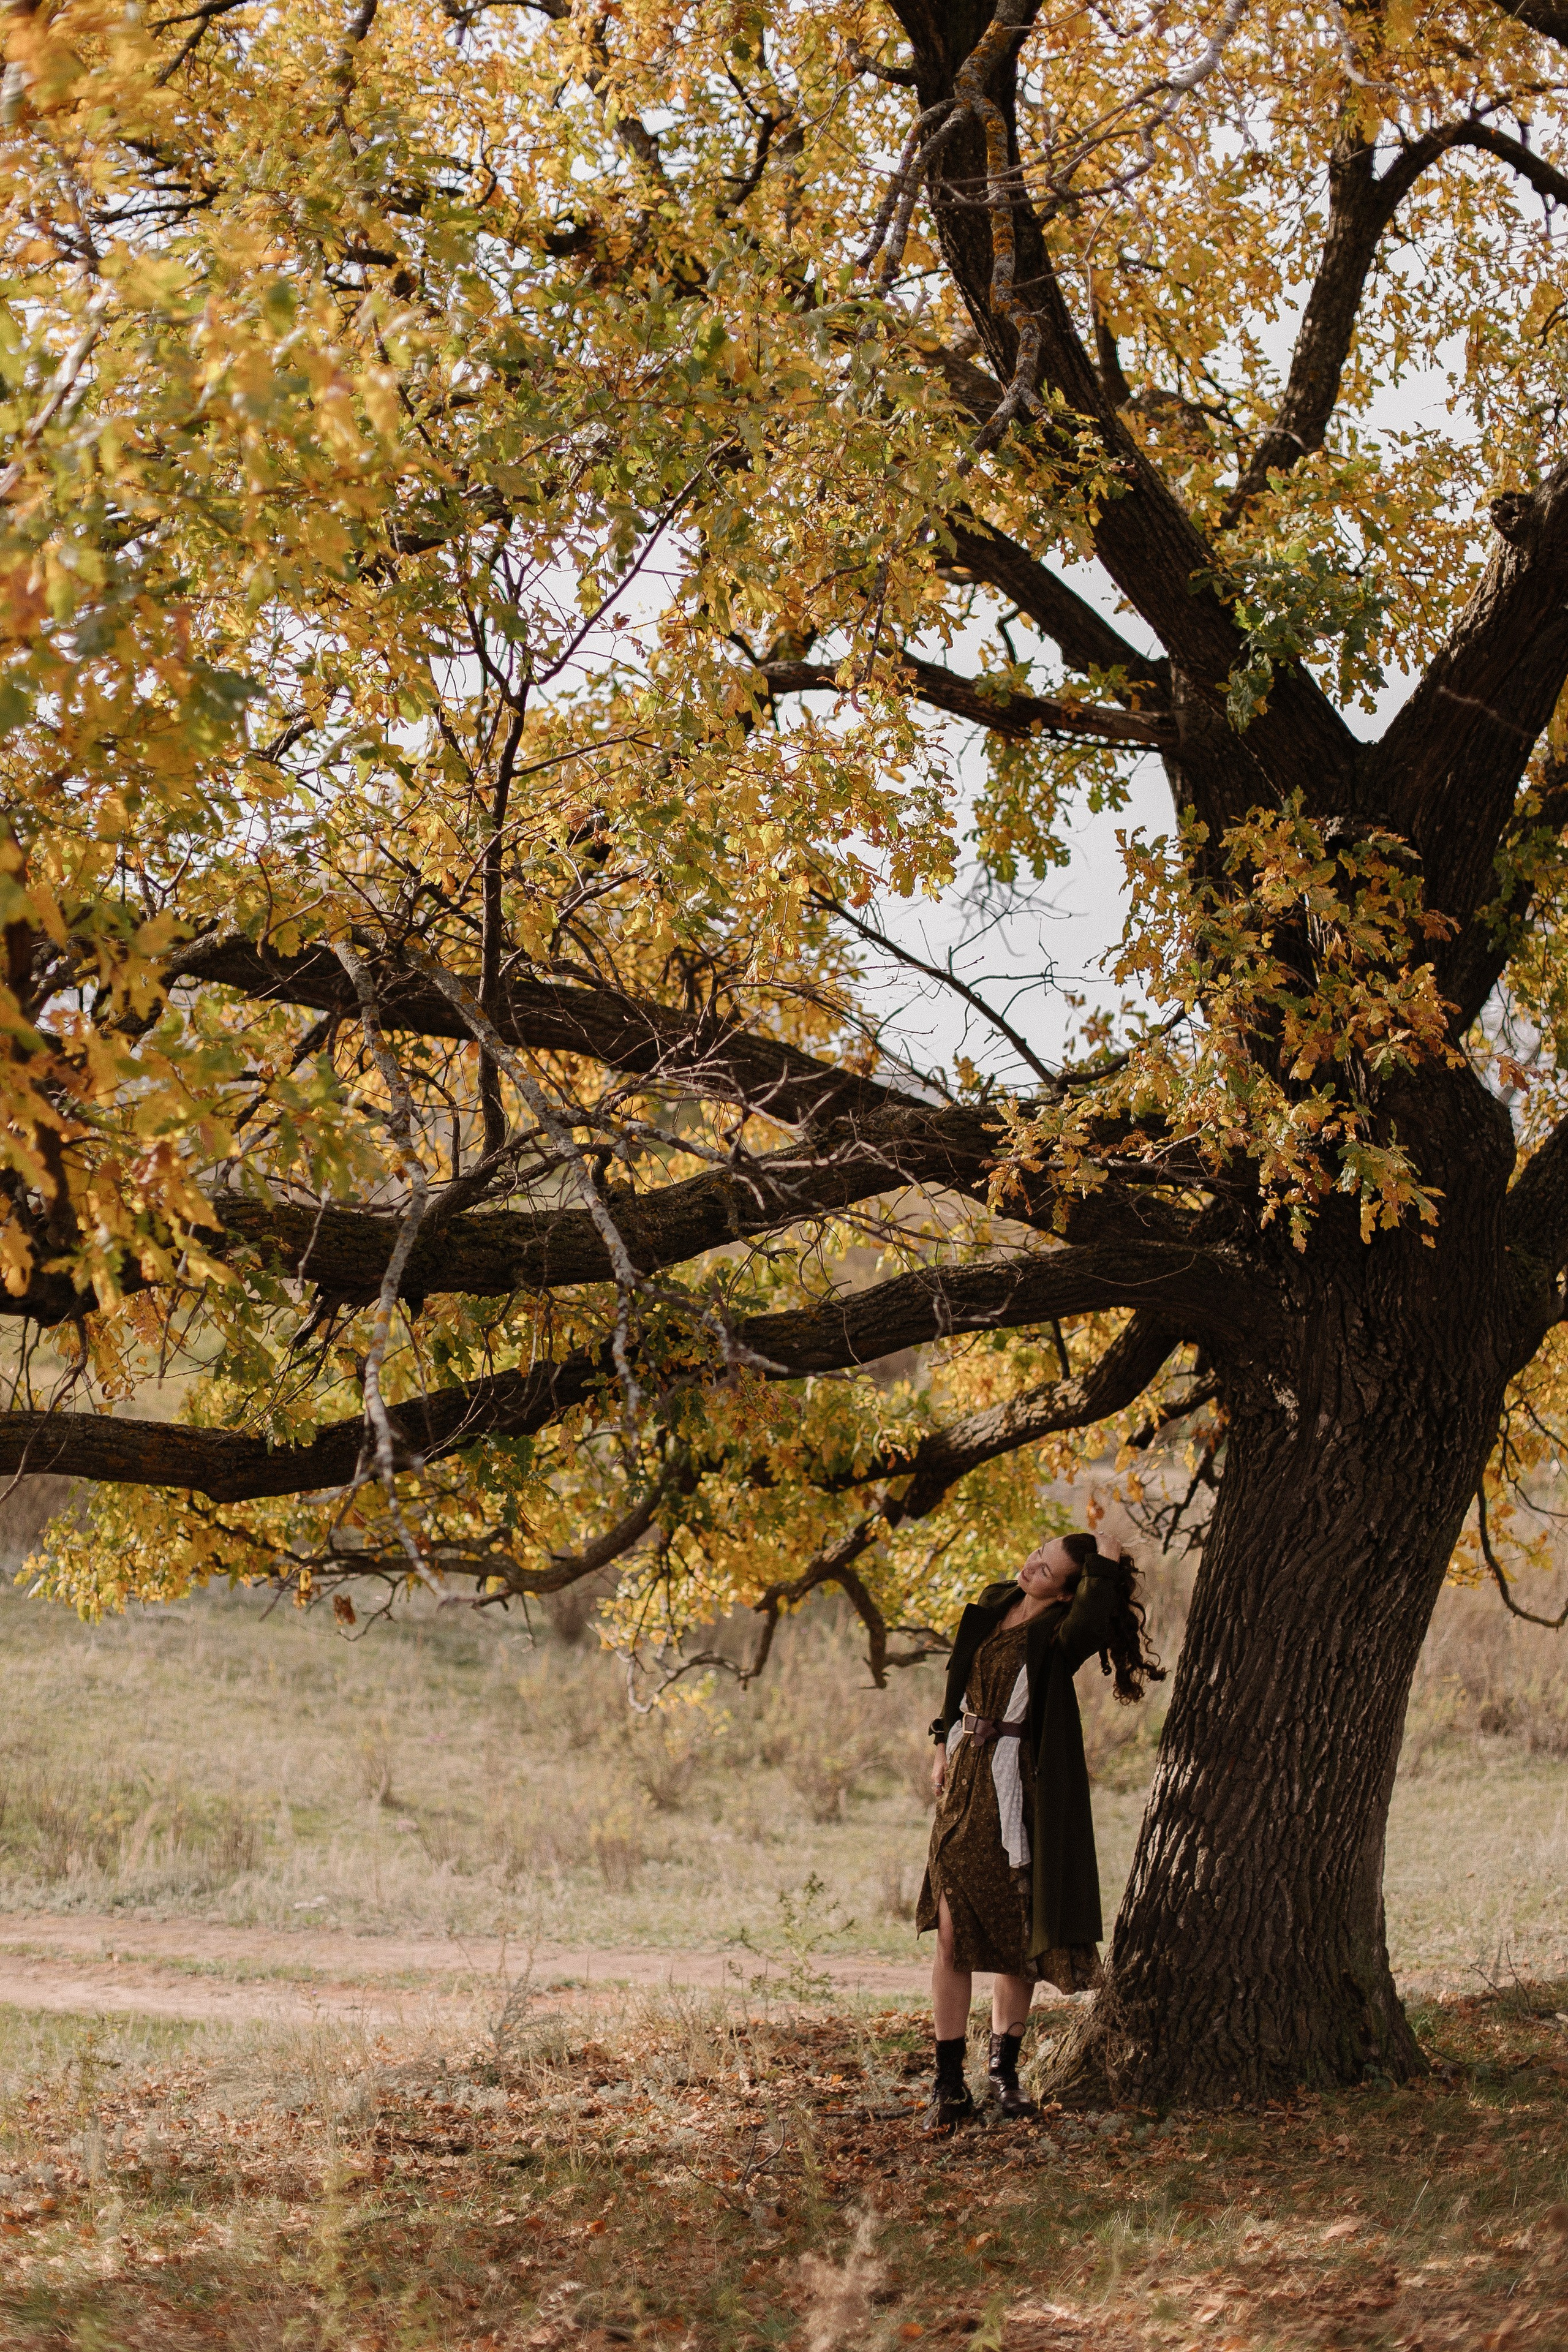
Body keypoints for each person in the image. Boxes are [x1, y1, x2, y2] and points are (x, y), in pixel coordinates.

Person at [914, 1531, 1164, 2130]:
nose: (1031, 1568)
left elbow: (1094, 1614)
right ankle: (948, 2084)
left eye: (1047, 1570)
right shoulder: (995, 1601)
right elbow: (959, 1678)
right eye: (1036, 1555)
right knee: (950, 1934)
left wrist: (1105, 1551)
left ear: (1068, 1591)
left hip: (1018, 1790)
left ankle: (1004, 2074)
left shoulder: (1060, 1633)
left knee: (1015, 1934)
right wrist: (941, 1742)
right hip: (965, 1782)